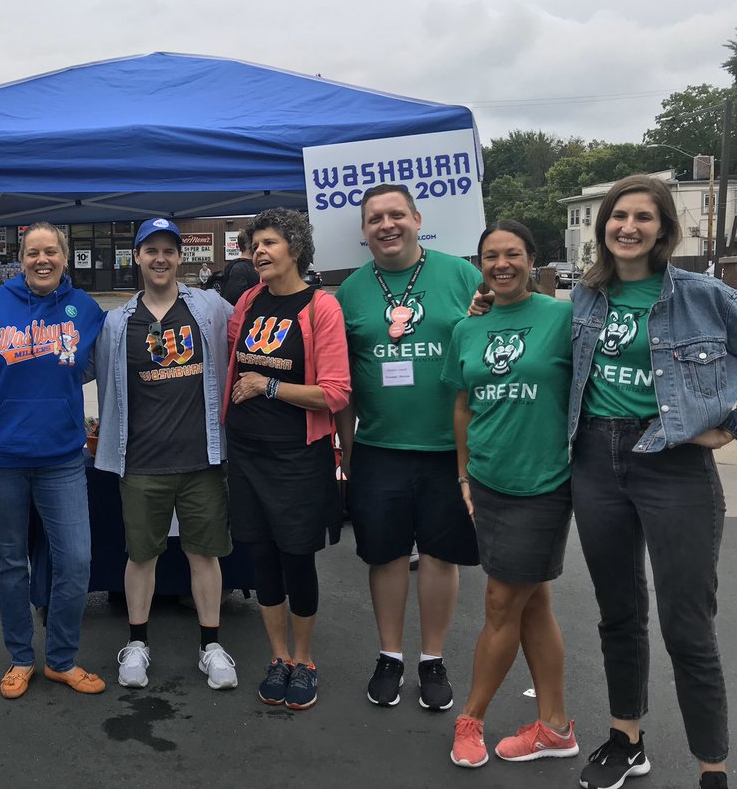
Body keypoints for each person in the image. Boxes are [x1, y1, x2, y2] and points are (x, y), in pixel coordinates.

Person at [568, 175, 735, 789]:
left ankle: (712, 767)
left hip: (673, 462)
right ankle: (626, 740)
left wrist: (726, 426)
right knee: (619, 612)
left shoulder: (701, 294)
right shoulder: (585, 296)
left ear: (664, 227)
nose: (628, 227)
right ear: (603, 225)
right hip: (595, 458)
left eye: (643, 217)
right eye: (618, 216)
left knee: (687, 625)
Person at [335, 183, 481, 712]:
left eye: (396, 214)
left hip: (449, 449)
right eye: (375, 218)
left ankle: (433, 660)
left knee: (442, 557)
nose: (387, 225)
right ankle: (390, 656)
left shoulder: (462, 276)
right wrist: (347, 451)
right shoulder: (350, 291)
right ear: (364, 230)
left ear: (418, 220)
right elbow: (342, 383)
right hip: (378, 446)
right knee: (386, 555)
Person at [440, 221, 578, 769]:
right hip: (487, 481)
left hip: (542, 482)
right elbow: (462, 405)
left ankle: (470, 717)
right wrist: (463, 474)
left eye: (512, 254)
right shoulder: (467, 328)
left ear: (532, 259)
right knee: (532, 600)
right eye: (490, 255)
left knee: (501, 603)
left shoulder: (563, 319)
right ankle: (555, 726)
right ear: (479, 264)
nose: (501, 264)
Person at [0, 222, 108, 699]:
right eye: (32, 253)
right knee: (10, 562)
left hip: (61, 457)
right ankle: (21, 657)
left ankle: (61, 659)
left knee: (76, 561)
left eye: (50, 252)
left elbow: (97, 365)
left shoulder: (85, 309)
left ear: (64, 257)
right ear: (20, 259)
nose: (42, 260)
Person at [93, 218, 237, 691]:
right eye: (150, 250)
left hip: (201, 459)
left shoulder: (209, 306)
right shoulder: (117, 322)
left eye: (168, 251)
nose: (160, 259)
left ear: (180, 257)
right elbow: (100, 377)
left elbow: (250, 327)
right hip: (141, 462)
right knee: (141, 556)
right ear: (136, 257)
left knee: (204, 555)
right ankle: (137, 643)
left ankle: (211, 646)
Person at [224, 208, 350, 710]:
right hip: (246, 452)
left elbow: (335, 393)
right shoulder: (249, 300)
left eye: (270, 242)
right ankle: (277, 656)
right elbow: (231, 356)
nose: (260, 251)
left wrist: (268, 386)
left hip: (297, 456)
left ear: (296, 248)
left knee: (296, 556)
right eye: (255, 244)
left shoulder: (322, 307)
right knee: (260, 555)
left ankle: (304, 659)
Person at [221, 228, 260, 305]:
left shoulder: (249, 265)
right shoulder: (240, 268)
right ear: (249, 245)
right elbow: (234, 299)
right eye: (255, 243)